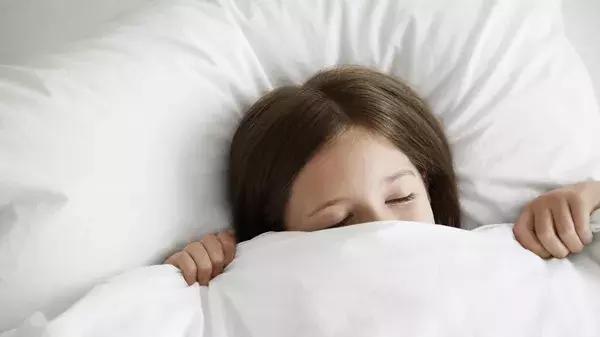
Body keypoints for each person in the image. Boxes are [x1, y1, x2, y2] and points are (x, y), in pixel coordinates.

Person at [164, 66, 600, 285]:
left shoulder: (502, 258)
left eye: (400, 198)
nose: (385, 230)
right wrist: (196, 277)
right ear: (275, 234)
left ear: (428, 187)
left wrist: (586, 202)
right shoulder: (263, 284)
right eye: (338, 222)